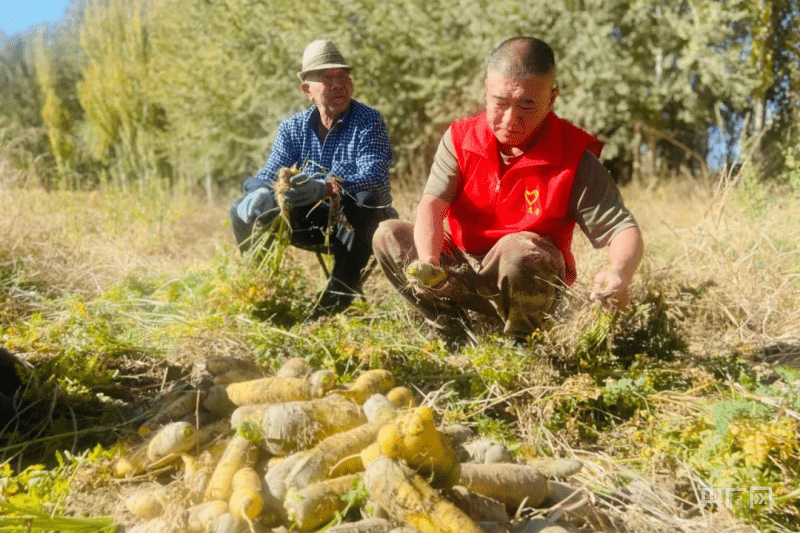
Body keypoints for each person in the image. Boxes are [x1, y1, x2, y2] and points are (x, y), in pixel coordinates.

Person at [372, 36, 644, 347]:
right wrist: (430, 261)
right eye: (500, 103)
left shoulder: (573, 156)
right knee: (388, 234)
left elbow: (621, 228)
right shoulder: (460, 139)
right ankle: (450, 330)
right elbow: (431, 205)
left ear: (552, 97)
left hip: (526, 277)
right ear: (486, 92)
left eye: (527, 104)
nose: (510, 120)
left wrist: (619, 274)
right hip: (462, 271)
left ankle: (522, 341)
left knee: (520, 250)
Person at [231, 40, 395, 318]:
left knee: (365, 200)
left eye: (342, 77)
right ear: (307, 90)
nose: (337, 85)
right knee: (241, 208)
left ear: (351, 84)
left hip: (355, 225)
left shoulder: (368, 121)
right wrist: (257, 190)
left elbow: (375, 176)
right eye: (326, 78)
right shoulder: (293, 128)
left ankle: (334, 301)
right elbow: (271, 172)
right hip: (309, 223)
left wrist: (328, 187)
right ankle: (261, 292)